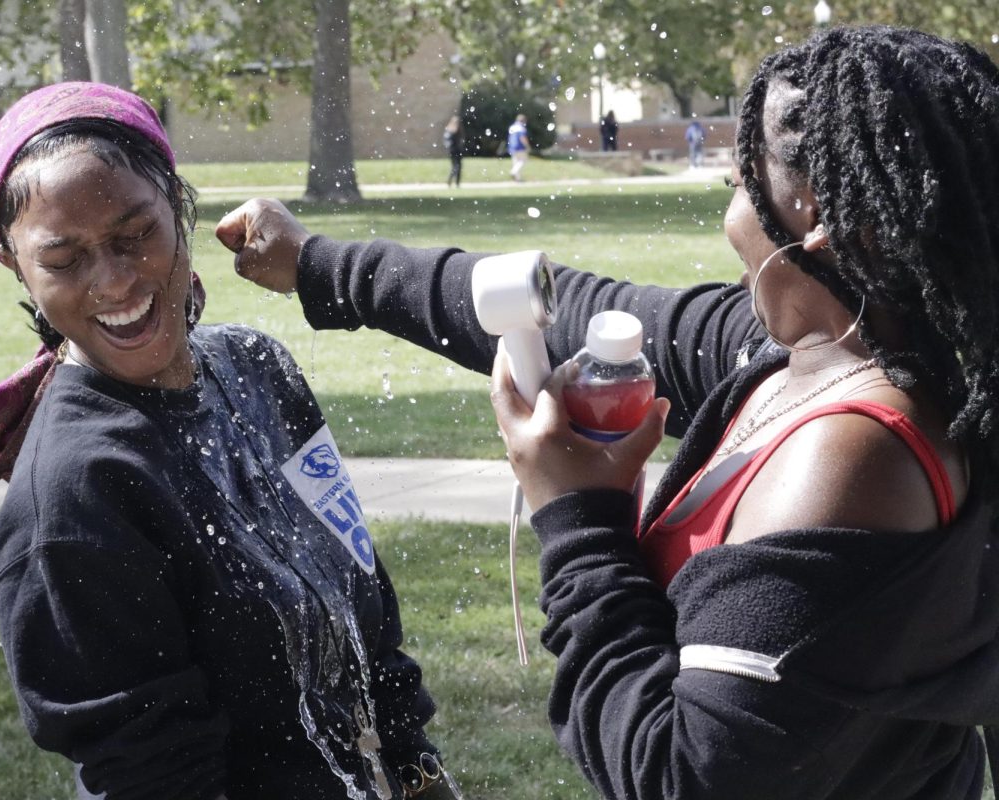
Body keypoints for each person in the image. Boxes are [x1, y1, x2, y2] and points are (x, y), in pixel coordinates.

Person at [216, 25, 999, 800]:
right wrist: (321, 264)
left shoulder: (851, 461)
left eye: (739, 186)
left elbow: (678, 775)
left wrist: (579, 519)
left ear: (815, 214)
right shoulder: (817, 351)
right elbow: (576, 306)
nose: (727, 216)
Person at [0, 82, 462, 800]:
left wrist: (420, 776)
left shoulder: (258, 369)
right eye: (65, 259)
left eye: (135, 233)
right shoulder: (76, 498)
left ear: (180, 207)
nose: (113, 281)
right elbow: (153, 777)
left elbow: (364, 618)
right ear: (19, 266)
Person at [506, 113, 529, 181]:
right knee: (523, 161)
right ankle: (513, 172)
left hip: (512, 147)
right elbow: (522, 138)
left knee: (515, 162)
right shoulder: (521, 128)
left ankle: (517, 179)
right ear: (523, 121)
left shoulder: (512, 127)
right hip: (520, 147)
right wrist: (527, 146)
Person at [442, 115, 463, 188]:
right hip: (453, 151)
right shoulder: (450, 130)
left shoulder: (458, 130)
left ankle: (457, 183)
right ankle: (450, 181)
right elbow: (447, 141)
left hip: (458, 151)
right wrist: (451, 147)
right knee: (455, 167)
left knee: (458, 167)